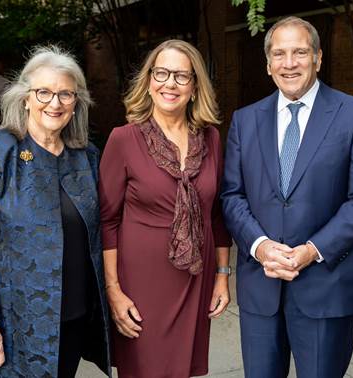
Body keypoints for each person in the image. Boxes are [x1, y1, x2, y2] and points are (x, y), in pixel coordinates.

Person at [221, 16, 353, 378]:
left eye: (299, 52)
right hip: (261, 287)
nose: (289, 63)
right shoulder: (245, 120)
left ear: (318, 58)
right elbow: (232, 195)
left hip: (326, 286)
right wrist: (260, 245)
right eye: (279, 54)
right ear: (268, 64)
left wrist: (312, 250)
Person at [0, 46, 111, 378]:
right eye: (44, 92)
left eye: (65, 94)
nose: (55, 103)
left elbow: (104, 230)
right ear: (25, 98)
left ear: (76, 102)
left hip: (74, 316)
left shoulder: (87, 156)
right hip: (14, 323)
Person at [99, 39, 232, 378]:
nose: (170, 83)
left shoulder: (212, 139)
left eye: (181, 76)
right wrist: (113, 291)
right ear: (148, 80)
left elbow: (216, 214)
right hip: (140, 286)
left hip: (194, 279)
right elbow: (108, 220)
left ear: (195, 86)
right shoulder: (123, 139)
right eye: (161, 73)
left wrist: (222, 277)